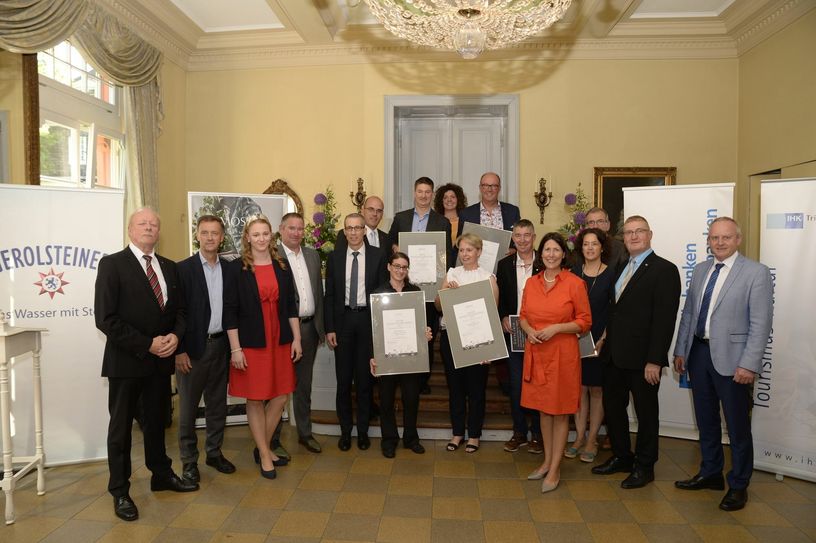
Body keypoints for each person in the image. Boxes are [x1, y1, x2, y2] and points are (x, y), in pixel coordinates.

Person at [95, 207, 198, 522]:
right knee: (121, 430)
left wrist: (175, 337)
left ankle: (161, 475)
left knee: (157, 423)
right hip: (126, 363)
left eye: (154, 224)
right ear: (130, 229)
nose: (149, 227)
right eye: (142, 223)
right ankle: (120, 490)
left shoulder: (169, 267)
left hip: (160, 364)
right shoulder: (112, 264)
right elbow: (106, 319)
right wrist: (146, 344)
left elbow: (181, 312)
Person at [672, 217, 773, 511]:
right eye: (714, 237)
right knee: (706, 420)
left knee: (737, 427)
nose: (719, 242)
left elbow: (761, 324)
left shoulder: (756, 272)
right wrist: (681, 350)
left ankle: (739, 485)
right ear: (708, 241)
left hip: (734, 361)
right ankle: (711, 472)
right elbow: (689, 313)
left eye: (726, 237)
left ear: (738, 240)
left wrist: (749, 364)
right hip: (698, 355)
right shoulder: (701, 270)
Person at [591, 216, 680, 489]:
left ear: (650, 234)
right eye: (628, 232)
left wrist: (655, 360)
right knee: (614, 409)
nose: (633, 236)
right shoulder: (621, 267)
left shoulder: (664, 270)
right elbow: (615, 311)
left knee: (646, 414)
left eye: (639, 231)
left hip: (643, 360)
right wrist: (604, 339)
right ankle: (622, 456)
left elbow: (664, 320)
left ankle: (644, 466)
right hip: (614, 356)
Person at [224, 215, 302, 480]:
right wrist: (235, 349)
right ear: (247, 237)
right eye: (255, 234)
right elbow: (230, 311)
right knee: (255, 398)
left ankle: (263, 448)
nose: (261, 239)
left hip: (280, 340)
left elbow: (290, 305)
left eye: (265, 234)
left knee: (281, 396)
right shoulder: (236, 268)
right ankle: (265, 454)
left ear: (272, 236)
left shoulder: (281, 265)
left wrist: (297, 339)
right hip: (252, 343)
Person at [520, 233, 592, 492]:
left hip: (562, 354)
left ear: (563, 254)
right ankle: (547, 462)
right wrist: (529, 330)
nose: (551, 254)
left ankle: (555, 468)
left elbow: (585, 321)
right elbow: (523, 315)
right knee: (543, 410)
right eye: (547, 250)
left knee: (560, 411)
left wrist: (557, 328)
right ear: (541, 254)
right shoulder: (531, 283)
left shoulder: (575, 283)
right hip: (537, 353)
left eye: (556, 250)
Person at [175, 215, 235, 485]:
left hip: (221, 346)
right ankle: (189, 461)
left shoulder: (231, 269)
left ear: (222, 237)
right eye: (205, 232)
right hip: (192, 351)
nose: (210, 237)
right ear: (197, 235)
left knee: (217, 405)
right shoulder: (183, 269)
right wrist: (179, 349)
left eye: (215, 233)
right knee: (188, 409)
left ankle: (214, 453)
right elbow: (176, 313)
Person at [325, 213, 388, 451]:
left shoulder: (378, 255)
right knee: (343, 382)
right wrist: (330, 328)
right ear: (344, 231)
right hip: (342, 323)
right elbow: (330, 295)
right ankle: (345, 432)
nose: (353, 232)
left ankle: (362, 432)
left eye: (357, 228)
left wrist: (379, 328)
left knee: (364, 382)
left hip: (367, 321)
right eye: (349, 228)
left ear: (364, 230)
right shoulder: (335, 257)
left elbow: (383, 292)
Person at [435, 233, 499, 454]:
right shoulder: (452, 273)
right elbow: (438, 306)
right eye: (461, 250)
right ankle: (457, 433)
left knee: (476, 390)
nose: (465, 254)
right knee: (455, 389)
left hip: (478, 341)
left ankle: (474, 435)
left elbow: (493, 314)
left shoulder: (488, 277)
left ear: (479, 252)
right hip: (451, 338)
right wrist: (445, 293)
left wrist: (489, 349)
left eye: (469, 250)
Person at [268, 212, 326, 455]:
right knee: (278, 388)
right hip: (282, 332)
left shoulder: (312, 255)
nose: (296, 232)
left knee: (304, 386)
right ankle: (272, 440)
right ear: (281, 229)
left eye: (300, 228)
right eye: (291, 228)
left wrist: (321, 327)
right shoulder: (272, 256)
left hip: (309, 329)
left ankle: (305, 433)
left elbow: (319, 293)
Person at [388, 177, 452, 394]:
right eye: (420, 191)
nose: (424, 195)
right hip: (403, 287)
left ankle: (422, 380)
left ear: (432, 195)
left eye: (427, 192)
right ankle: (401, 376)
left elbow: (446, 256)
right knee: (403, 331)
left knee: (427, 336)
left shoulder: (442, 222)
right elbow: (390, 245)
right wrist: (395, 247)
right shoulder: (401, 218)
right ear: (414, 193)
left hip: (429, 291)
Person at [369, 252, 433, 458]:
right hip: (386, 356)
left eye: (404, 267)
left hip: (410, 356)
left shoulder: (415, 292)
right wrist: (372, 355)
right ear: (389, 267)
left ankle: (411, 438)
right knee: (386, 400)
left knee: (411, 398)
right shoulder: (379, 294)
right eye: (396, 266)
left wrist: (425, 333)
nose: (400, 270)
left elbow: (420, 323)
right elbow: (373, 329)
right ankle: (389, 440)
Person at [566, 228, 615, 464]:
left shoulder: (612, 275)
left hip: (599, 341)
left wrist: (603, 339)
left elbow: (614, 311)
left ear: (602, 247)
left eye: (594, 244)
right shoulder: (572, 273)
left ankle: (592, 439)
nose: (590, 248)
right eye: (586, 244)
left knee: (596, 390)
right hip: (574, 339)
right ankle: (579, 437)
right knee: (578, 389)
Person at [496, 219, 543, 455]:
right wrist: (503, 316)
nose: (522, 240)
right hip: (514, 332)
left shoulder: (545, 262)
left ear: (533, 237)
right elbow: (501, 297)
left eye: (526, 235)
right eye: (518, 235)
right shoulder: (504, 265)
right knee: (516, 385)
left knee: (538, 384)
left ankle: (539, 434)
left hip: (540, 334)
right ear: (512, 238)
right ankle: (519, 432)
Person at [457, 172, 521, 237]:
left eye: (494, 186)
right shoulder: (466, 214)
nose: (489, 189)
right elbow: (459, 241)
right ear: (480, 188)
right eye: (485, 185)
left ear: (499, 188)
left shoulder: (513, 211)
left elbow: (518, 237)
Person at [583, 207, 628, 272]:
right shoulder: (581, 248)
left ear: (608, 225)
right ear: (586, 227)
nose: (595, 226)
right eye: (591, 222)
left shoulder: (620, 248)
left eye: (600, 221)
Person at [433, 182, 468, 250]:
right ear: (441, 201)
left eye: (453, 197)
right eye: (445, 197)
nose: (449, 200)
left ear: (458, 200)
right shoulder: (435, 222)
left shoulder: (464, 222)